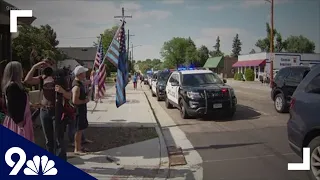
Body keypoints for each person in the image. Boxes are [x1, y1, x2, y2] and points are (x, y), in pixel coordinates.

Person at [24, 59, 70, 160]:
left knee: (59, 138)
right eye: (43, 65)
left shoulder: (60, 78)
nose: (45, 67)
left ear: (53, 65)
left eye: (47, 64)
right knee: (48, 140)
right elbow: (27, 80)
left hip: (57, 110)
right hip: (44, 111)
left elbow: (69, 96)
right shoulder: (42, 78)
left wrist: (62, 91)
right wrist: (35, 66)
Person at [2, 61, 34, 142]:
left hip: (23, 120)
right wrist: (19, 122)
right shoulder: (12, 87)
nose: (22, 71)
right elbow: (11, 106)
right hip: (18, 122)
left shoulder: (17, 86)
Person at [72, 66, 90, 155]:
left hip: (82, 109)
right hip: (78, 110)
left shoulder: (80, 83)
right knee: (78, 130)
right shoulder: (77, 86)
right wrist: (85, 101)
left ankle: (79, 146)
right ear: (80, 74)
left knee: (80, 129)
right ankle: (77, 149)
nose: (85, 74)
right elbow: (75, 101)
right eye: (84, 73)